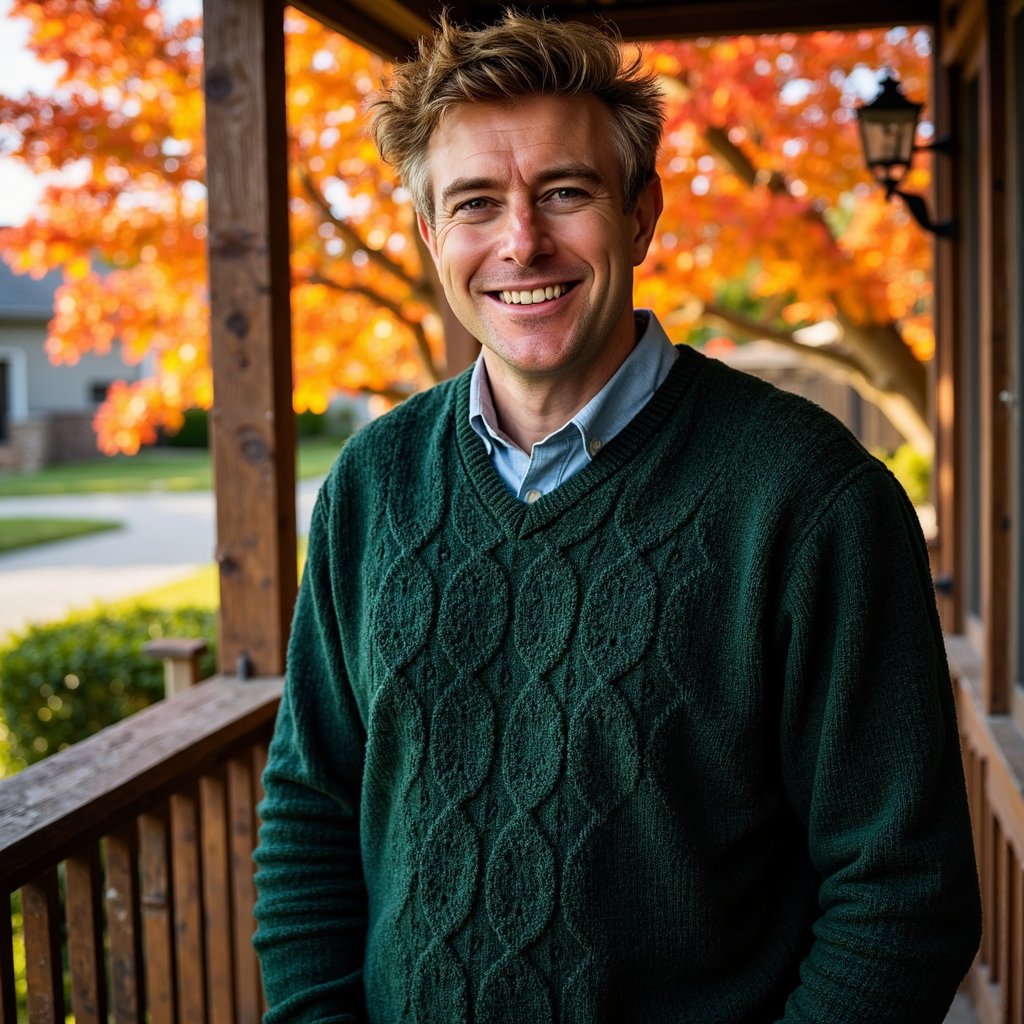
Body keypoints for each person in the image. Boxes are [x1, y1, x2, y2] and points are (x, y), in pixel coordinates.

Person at [252, 11, 981, 1023]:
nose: (520, 241)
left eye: (564, 192)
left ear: (640, 214)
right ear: (430, 236)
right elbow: (309, 813)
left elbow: (902, 896)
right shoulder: (373, 484)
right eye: (474, 204)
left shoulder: (811, 502)